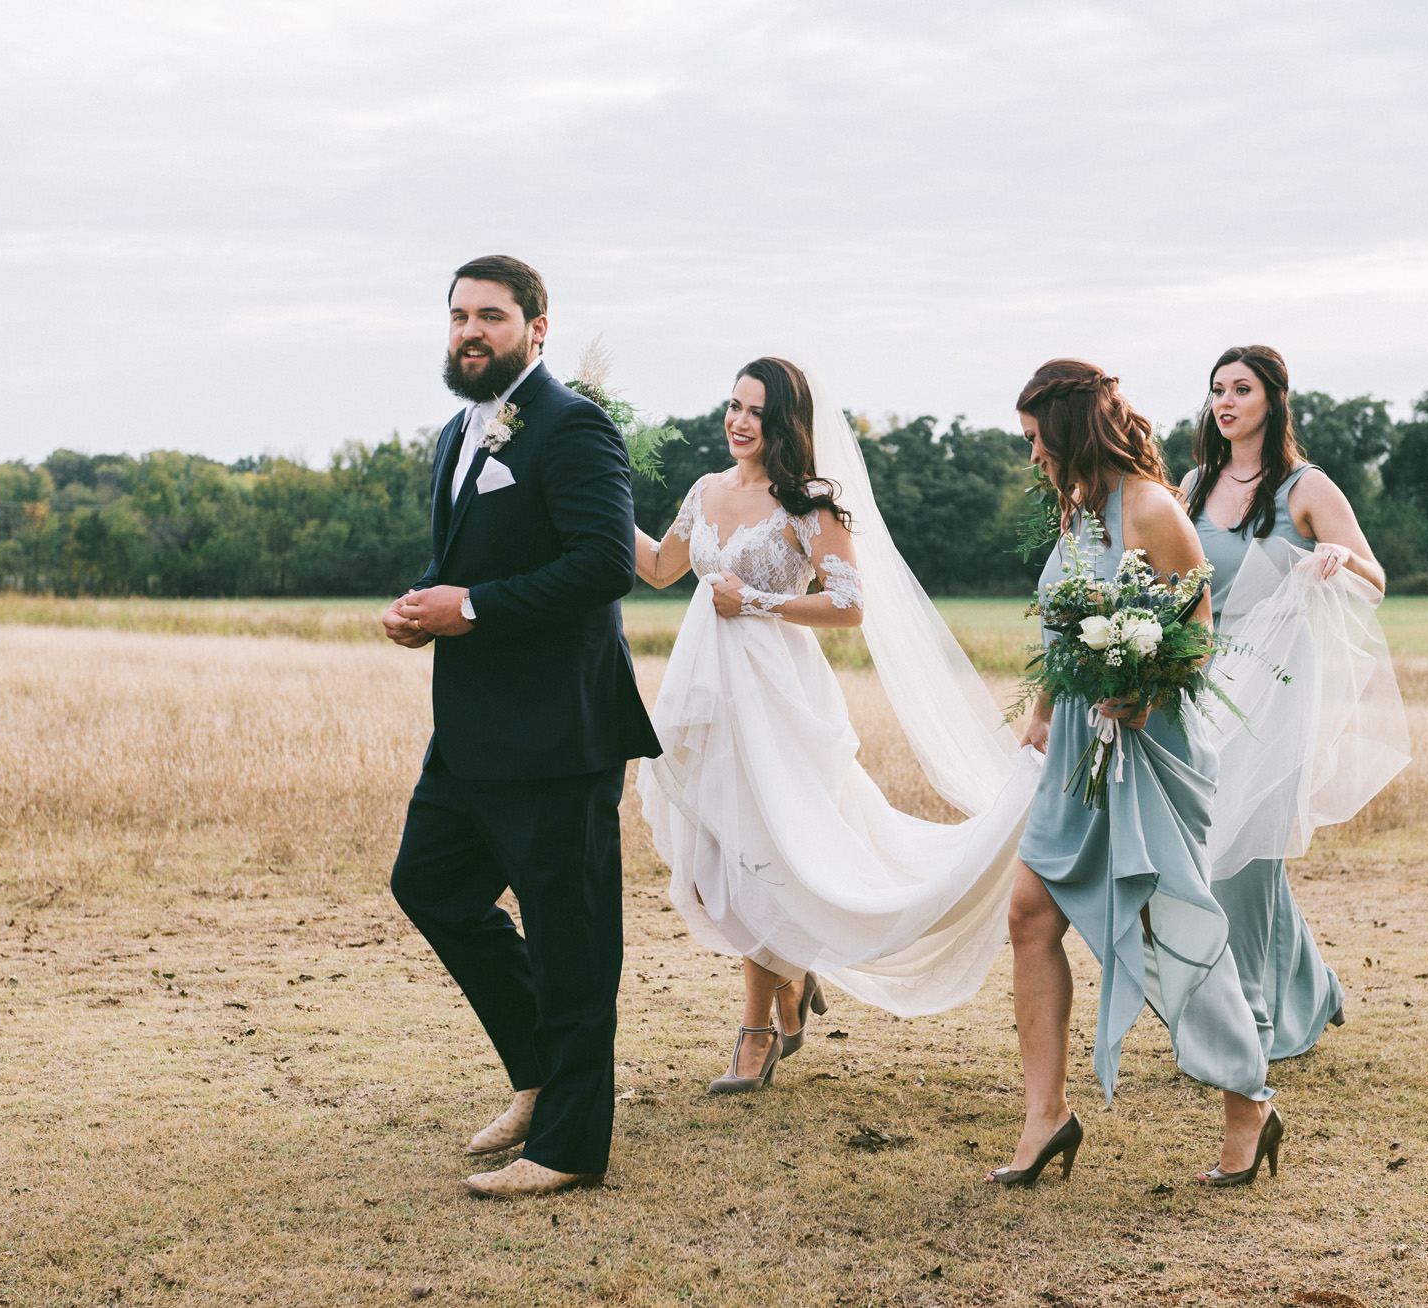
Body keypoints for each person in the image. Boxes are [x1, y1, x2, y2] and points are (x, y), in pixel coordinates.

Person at [634, 357, 1042, 1092]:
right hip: (703, 691)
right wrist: (597, 498)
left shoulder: (808, 501)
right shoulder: (705, 490)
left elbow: (850, 606)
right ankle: (791, 975)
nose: (738, 420)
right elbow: (662, 568)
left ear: (786, 422)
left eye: (755, 410)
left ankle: (758, 1027)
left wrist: (757, 602)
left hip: (776, 697)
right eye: (732, 405)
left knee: (760, 852)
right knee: (709, 860)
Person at [383, 255, 661, 1199]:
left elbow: (600, 568)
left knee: (571, 935)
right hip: (469, 730)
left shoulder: (574, 429)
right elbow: (474, 558)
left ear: (537, 329)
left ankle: (571, 1146)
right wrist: (425, 603)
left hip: (558, 730)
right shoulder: (459, 433)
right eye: (459, 315)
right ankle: (542, 1076)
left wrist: (473, 610)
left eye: (491, 317)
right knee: (429, 885)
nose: (470, 331)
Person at [995, 359, 1280, 1192]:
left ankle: (1247, 1103)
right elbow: (1068, 621)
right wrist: (1047, 707)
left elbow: (1197, 629)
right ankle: (1045, 1116)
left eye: (1035, 439)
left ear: (1069, 427)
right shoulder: (1078, 511)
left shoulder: (1153, 509)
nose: (1032, 457)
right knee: (1027, 917)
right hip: (1079, 750)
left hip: (1144, 751)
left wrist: (1148, 690)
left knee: (1167, 926)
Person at [1177, 345, 1406, 1063]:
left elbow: (1375, 579)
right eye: (1217, 389)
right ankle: (1312, 987)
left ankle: (1250, 1025)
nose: (1225, 402)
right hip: (1206, 680)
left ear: (1273, 400)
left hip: (1278, 683)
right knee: (1216, 846)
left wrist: (1338, 563)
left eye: (1241, 389)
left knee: (1246, 849)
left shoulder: (1306, 487)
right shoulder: (1192, 484)